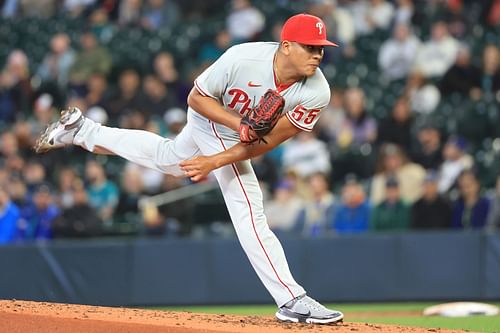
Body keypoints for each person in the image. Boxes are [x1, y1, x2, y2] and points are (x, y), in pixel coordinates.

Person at [34, 14, 344, 324]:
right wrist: (239, 125)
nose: (317, 54)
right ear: (287, 46)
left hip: (239, 134)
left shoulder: (317, 91)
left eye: (321, 48)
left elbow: (267, 142)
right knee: (248, 205)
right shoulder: (243, 57)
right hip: (211, 114)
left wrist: (216, 159)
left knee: (169, 158)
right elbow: (196, 98)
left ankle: (82, 131)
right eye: (310, 47)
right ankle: (291, 298)